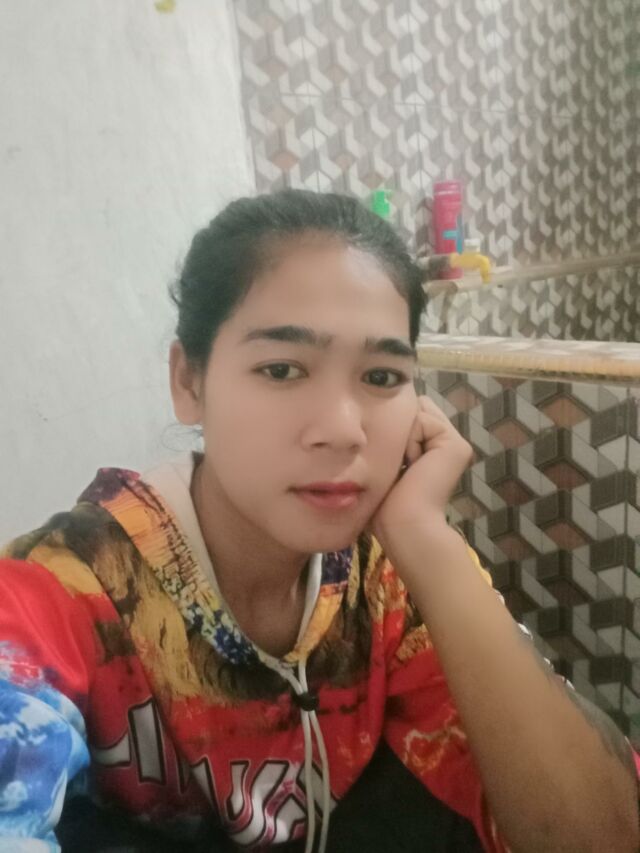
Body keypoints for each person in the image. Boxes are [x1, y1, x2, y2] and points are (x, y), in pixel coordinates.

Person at [0, 190, 638, 853]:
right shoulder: (67, 593)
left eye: (382, 376)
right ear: (189, 381)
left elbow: (601, 836)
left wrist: (428, 540)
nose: (343, 428)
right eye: (281, 369)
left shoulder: (386, 577)